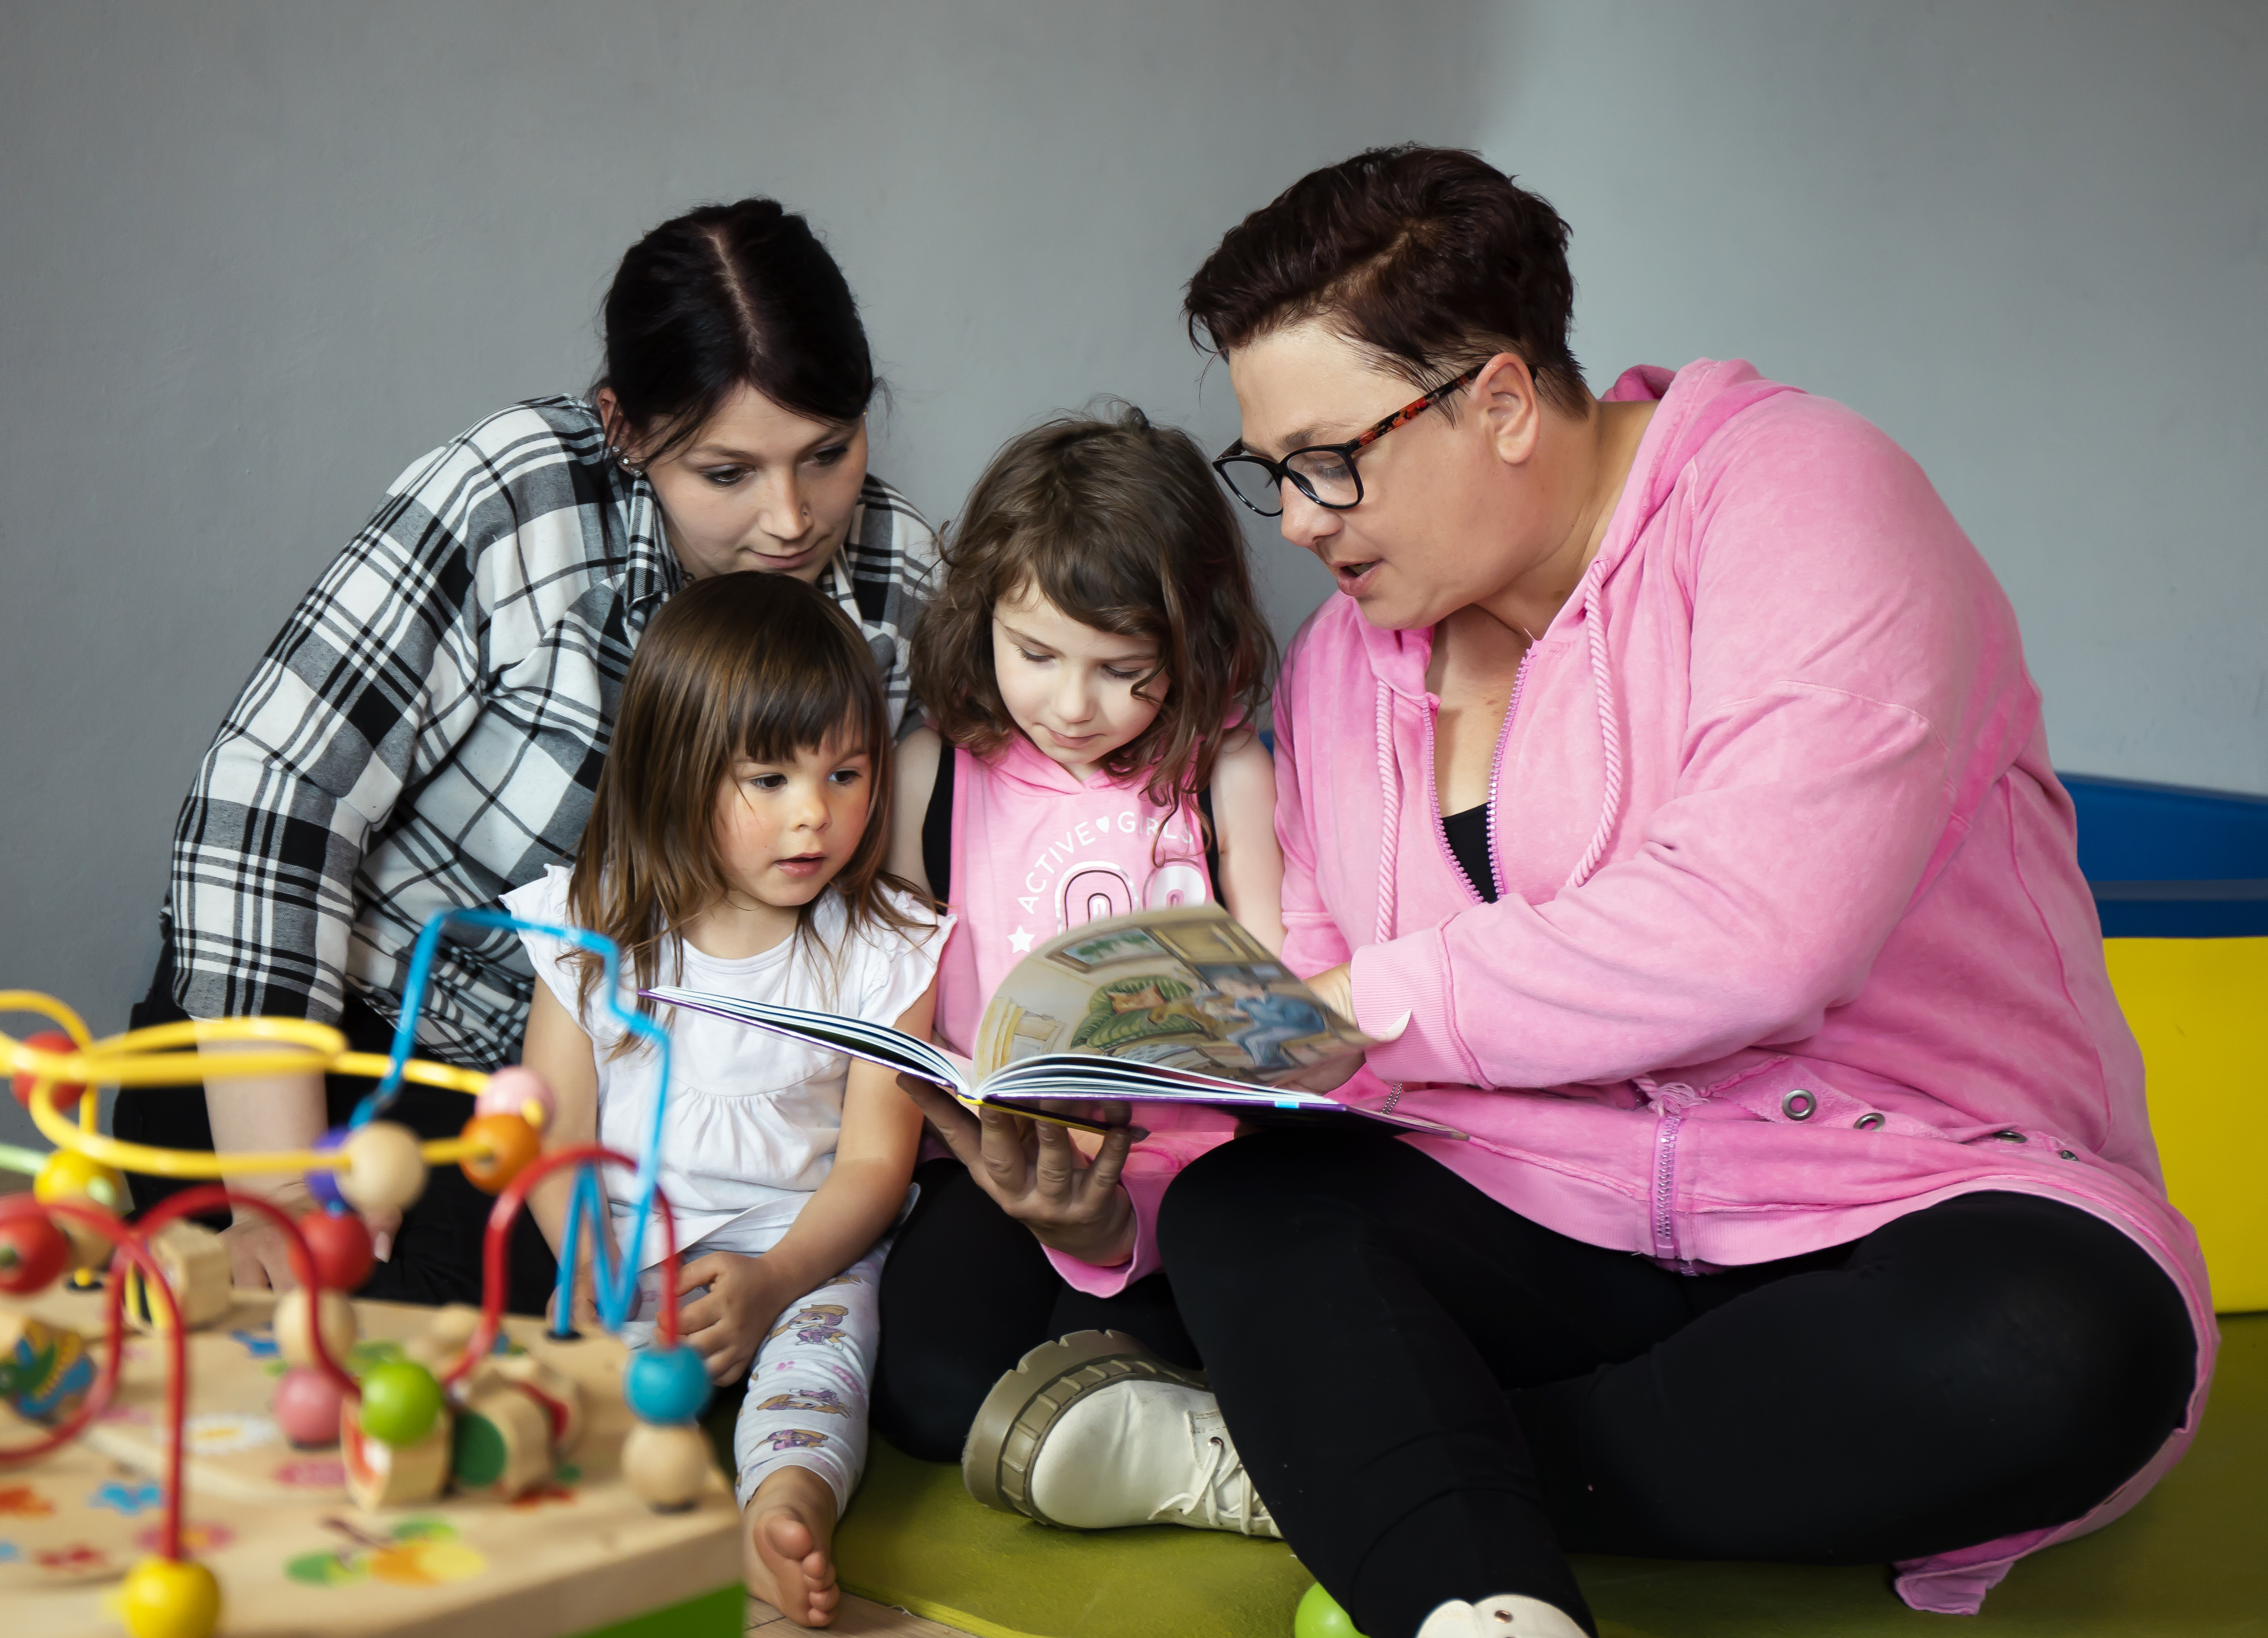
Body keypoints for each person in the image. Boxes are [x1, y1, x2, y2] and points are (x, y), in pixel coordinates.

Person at [937, 148, 2213, 1638]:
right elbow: (1325, 1086)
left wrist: (1357, 1009)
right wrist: (1101, 1210)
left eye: (1326, 461)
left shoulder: (1806, 498)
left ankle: (1354, 1471)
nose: (1295, 517)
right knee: (1243, 1213)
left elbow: (1758, 930)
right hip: (1545, 1208)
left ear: (1496, 401)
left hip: (1896, 1199)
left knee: (2053, 1349)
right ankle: (1486, 1599)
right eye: (1269, 470)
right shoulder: (1352, 668)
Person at [115, 197, 938, 1314]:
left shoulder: (897, 583)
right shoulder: (517, 498)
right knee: (301, 1336)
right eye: (726, 473)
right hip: (341, 1035)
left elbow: (892, 906)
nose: (792, 519)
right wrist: (283, 1184)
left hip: (598, 1102)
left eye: (827, 455)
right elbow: (270, 799)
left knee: (580, 1359)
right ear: (624, 427)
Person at [511, 570, 944, 1628]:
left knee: (821, 1368)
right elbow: (552, 1135)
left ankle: (785, 1509)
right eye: (770, 779)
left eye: (845, 774)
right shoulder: (591, 926)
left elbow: (875, 1167)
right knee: (554, 1403)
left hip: (805, 1248)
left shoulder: (885, 948)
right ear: (674, 774)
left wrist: (775, 1279)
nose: (817, 816)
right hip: (619, 1247)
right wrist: (605, 1280)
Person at [867, 408, 1281, 1477]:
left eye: (1122, 667)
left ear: (1190, 646)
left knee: (1134, 1360)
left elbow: (1281, 993)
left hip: (1184, 1171)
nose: (1072, 703)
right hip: (1000, 1166)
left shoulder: (1222, 769)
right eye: (1037, 653)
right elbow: (901, 1002)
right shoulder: (938, 770)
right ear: (984, 620)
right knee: (928, 1401)